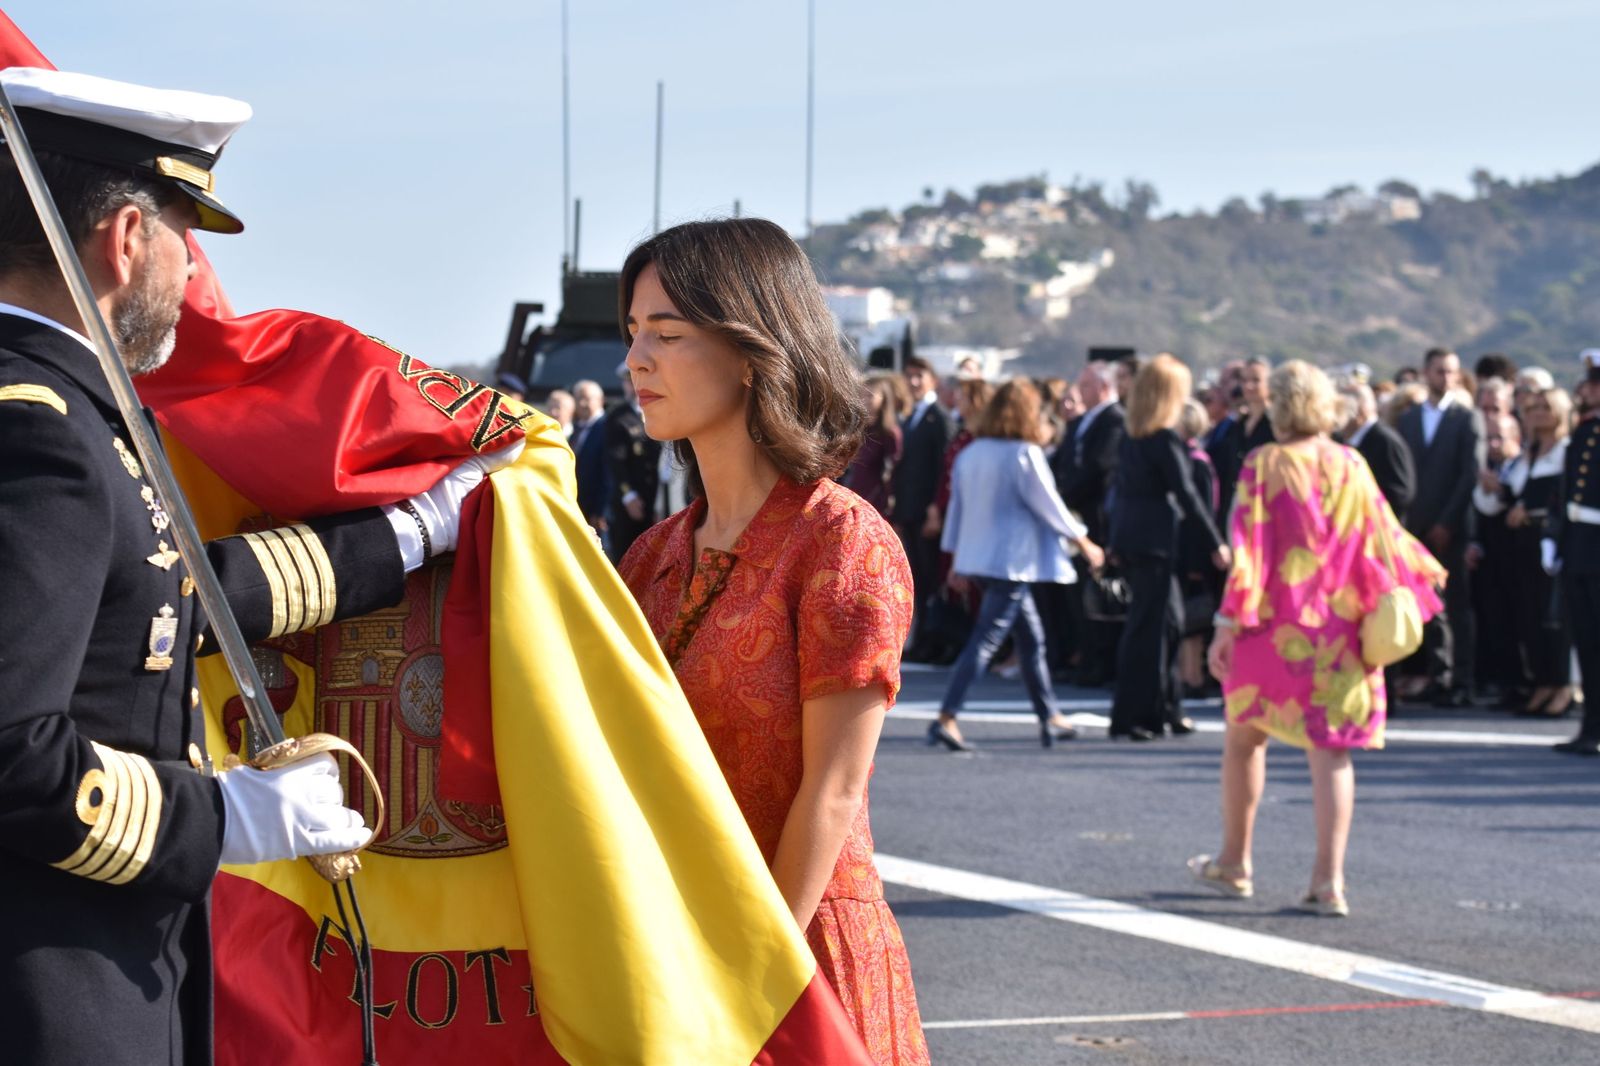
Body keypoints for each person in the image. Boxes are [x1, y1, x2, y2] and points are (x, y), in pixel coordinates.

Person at [0, 67, 503, 1063]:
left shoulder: (63, 409)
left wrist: (410, 534)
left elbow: (171, 595)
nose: (192, 272)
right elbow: (12, 749)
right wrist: (223, 817)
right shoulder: (38, 430)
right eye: (184, 236)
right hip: (49, 984)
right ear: (126, 239)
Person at [614, 218, 928, 1062]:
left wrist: (752, 975)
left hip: (797, 957)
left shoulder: (840, 541)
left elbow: (833, 790)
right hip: (673, 952)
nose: (635, 359)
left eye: (667, 333)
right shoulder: (651, 556)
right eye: (633, 332)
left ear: (752, 352)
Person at [1196, 361, 1445, 917]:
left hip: (1271, 627)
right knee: (1331, 753)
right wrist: (1421, 577)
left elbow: (1249, 554)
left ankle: (1235, 862)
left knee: (1244, 740)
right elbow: (1384, 537)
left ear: (1279, 405)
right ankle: (1328, 881)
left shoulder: (1265, 463)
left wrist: (1226, 625)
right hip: (1339, 631)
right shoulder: (1351, 463)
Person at [930, 380, 1104, 751]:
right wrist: (1083, 540)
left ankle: (1050, 716)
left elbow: (957, 510)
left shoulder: (971, 453)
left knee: (1030, 638)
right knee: (988, 639)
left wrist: (956, 558)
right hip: (1011, 560)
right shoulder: (1024, 453)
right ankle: (947, 716)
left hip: (978, 558)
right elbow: (1049, 505)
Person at [1108, 354, 1229, 740]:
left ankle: (1166, 706)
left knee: (1169, 624)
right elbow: (1187, 493)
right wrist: (1215, 542)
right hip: (1155, 542)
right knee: (1150, 630)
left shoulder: (1133, 437)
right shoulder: (1162, 439)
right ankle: (1135, 716)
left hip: (1137, 539)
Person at [1396, 348, 1484, 705]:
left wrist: (1447, 522)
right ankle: (1438, 673)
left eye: (1451, 371)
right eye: (1439, 371)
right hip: (1417, 526)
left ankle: (1462, 680)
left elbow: (1469, 475)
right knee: (1427, 603)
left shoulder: (1467, 418)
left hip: (1453, 527)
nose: (1445, 378)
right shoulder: (1409, 418)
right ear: (1425, 373)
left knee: (1457, 605)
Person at [1478, 391, 1575, 715]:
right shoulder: (1525, 456)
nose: (1538, 413)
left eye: (1546, 407)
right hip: (1520, 545)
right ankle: (1542, 682)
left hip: (1550, 542)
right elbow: (1506, 497)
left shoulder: (1567, 451)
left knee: (1554, 616)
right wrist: (1492, 487)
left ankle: (1562, 685)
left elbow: (1563, 495)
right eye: (1533, 408)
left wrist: (1530, 509)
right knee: (1529, 615)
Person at [1052, 360, 1126, 685]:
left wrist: (1064, 497)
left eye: (1086, 386)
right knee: (1079, 593)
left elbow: (1099, 467)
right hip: (1076, 517)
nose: (1080, 391)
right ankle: (1085, 657)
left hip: (1097, 519)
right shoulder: (1083, 422)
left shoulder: (1115, 420)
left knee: (1099, 592)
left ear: (1103, 387)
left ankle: (1100, 663)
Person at [1543, 351, 1600, 754]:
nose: (1588, 389)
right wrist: (1556, 537)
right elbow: (1566, 493)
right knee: (1587, 642)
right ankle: (1591, 727)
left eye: (1595, 383)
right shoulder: (1584, 432)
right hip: (1579, 547)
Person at [891, 355, 952, 661]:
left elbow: (944, 466)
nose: (913, 382)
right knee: (916, 577)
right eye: (909, 375)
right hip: (910, 510)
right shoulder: (910, 415)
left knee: (930, 578)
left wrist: (935, 509)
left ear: (933, 380)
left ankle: (936, 639)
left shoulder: (938, 417)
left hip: (928, 511)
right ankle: (922, 639)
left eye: (920, 376)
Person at [1468, 413, 1526, 704]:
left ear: (1516, 438)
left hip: (1520, 559)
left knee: (1520, 622)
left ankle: (1524, 683)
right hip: (1491, 560)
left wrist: (1501, 491)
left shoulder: (1523, 467)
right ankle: (1505, 683)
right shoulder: (1489, 470)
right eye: (1489, 438)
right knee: (1496, 620)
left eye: (1499, 437)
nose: (1493, 444)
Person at [1176, 398, 1221, 695]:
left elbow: (1204, 511)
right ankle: (1185, 674)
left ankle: (1192, 676)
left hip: (1193, 552)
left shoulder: (1197, 462)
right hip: (1181, 549)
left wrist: (1197, 560)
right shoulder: (1183, 457)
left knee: (1193, 620)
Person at [604, 363, 663, 561]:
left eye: (636, 381)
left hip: (655, 496)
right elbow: (615, 462)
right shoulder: (618, 418)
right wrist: (628, 495)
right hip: (630, 500)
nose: (634, 387)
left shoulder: (658, 411)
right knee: (627, 555)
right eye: (629, 382)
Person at [1339, 379, 1416, 524]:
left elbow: (1401, 494)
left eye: (1340, 408)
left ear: (1358, 410)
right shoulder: (1345, 440)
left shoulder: (1386, 441)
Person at [1212, 357, 1274, 518]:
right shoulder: (1237, 425)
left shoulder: (1276, 425)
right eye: (1245, 380)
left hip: (1264, 507)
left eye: (1256, 380)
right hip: (1235, 505)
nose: (1248, 386)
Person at [841, 373, 904, 517]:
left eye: (870, 396)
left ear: (883, 399)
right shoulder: (855, 429)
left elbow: (893, 473)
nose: (865, 400)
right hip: (851, 499)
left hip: (875, 505)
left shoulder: (889, 434)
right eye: (862, 395)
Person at [570, 377, 609, 531]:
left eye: (586, 398)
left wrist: (601, 510)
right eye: (578, 398)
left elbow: (608, 473)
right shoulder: (576, 429)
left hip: (596, 511)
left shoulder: (607, 426)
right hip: (579, 507)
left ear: (600, 400)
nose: (582, 403)